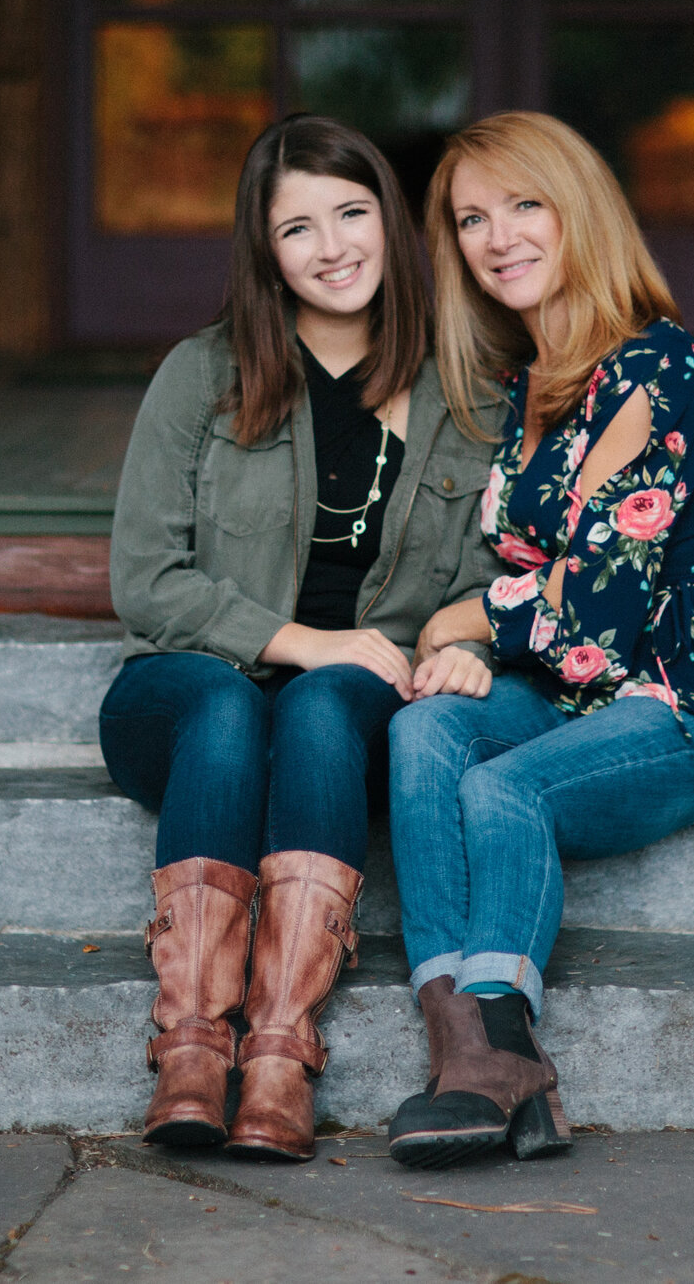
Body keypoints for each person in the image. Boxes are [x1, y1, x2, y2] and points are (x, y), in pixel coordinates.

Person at [383, 110, 694, 1167]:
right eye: (470, 217)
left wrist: (459, 618)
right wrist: (470, 641)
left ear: (580, 215)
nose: (495, 236)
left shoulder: (654, 369)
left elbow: (594, 613)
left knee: (498, 788)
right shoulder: (529, 390)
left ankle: (498, 1043)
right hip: (569, 696)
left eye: (525, 205)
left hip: (682, 709)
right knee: (424, 731)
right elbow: (540, 595)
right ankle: (463, 1049)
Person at [104, 114, 504, 1161]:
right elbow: (144, 581)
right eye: (297, 229)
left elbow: (493, 576)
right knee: (233, 701)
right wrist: (300, 637)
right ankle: (191, 1047)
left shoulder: (470, 393)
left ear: (390, 220)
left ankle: (279, 1052)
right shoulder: (204, 374)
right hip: (190, 699)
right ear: (264, 251)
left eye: (351, 213)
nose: (332, 247)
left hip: (350, 708)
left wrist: (467, 640)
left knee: (327, 705)